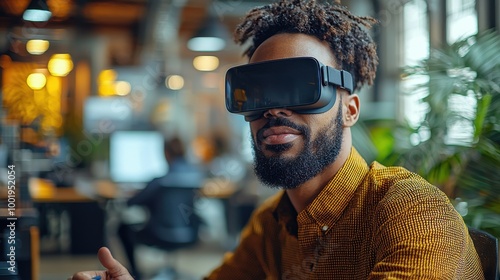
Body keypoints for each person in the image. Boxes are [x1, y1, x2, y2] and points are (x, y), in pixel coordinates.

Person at [71, 1, 484, 279]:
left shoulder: (411, 212)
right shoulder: (272, 223)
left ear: (350, 108)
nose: (273, 110)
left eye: (301, 87)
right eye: (257, 92)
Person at [116, 136, 205, 279]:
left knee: (122, 228)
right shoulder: (196, 177)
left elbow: (133, 202)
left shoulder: (159, 182)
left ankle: (135, 275)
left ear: (166, 153)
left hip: (159, 233)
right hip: (190, 233)